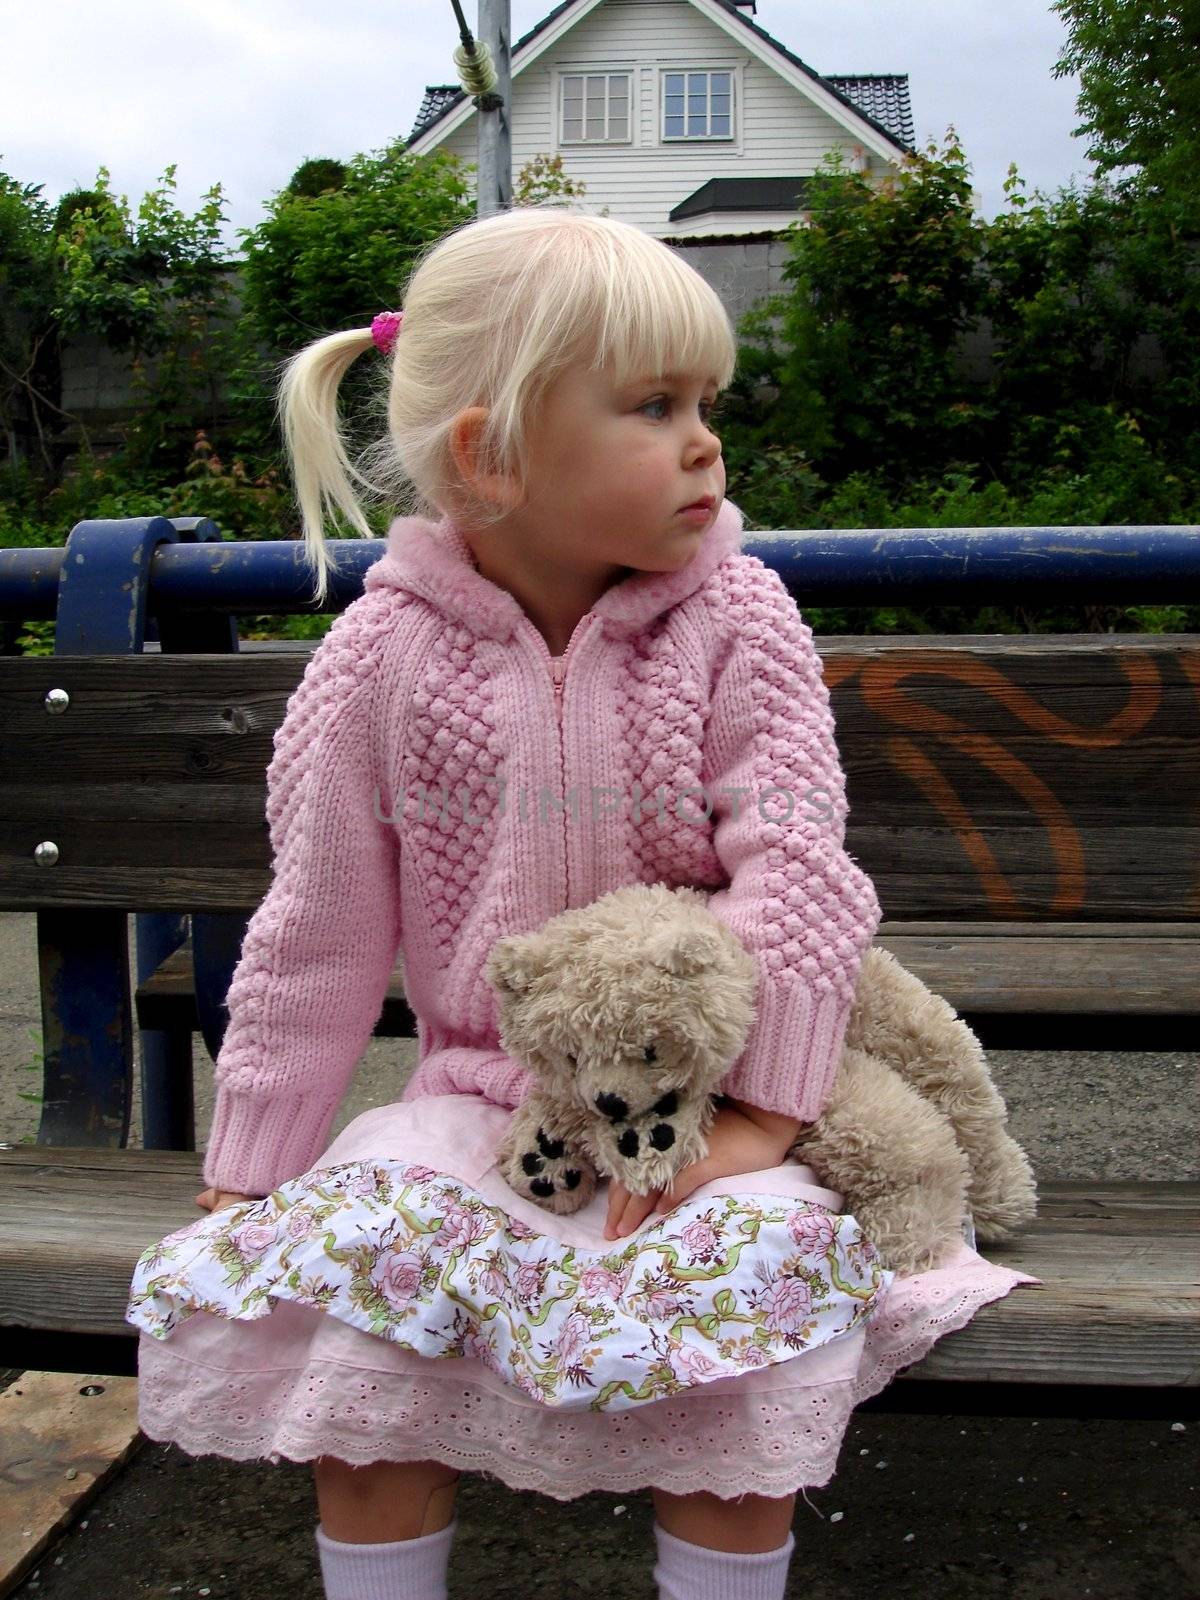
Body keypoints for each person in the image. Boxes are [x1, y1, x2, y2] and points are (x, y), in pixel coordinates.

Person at [126, 206, 1035, 1600]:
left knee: (744, 1332)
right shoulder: (377, 658)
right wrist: (254, 1154)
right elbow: (316, 923)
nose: (704, 443)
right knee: (363, 1311)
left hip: (711, 1104)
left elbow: (798, 878)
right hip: (478, 1105)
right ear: (494, 454)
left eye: (706, 404)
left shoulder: (741, 624)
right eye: (653, 406)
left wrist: (761, 1119)